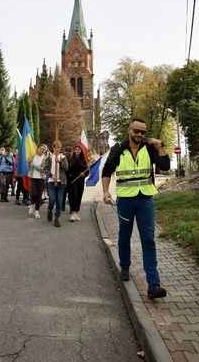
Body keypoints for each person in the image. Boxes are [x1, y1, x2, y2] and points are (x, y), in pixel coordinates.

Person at [102, 118, 170, 299]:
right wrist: (105, 192)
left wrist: (161, 145)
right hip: (125, 199)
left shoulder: (149, 148)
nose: (140, 135)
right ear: (129, 130)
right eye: (136, 131)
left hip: (145, 199)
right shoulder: (118, 148)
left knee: (148, 239)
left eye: (143, 132)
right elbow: (107, 170)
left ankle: (153, 285)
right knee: (124, 236)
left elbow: (165, 166)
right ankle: (125, 265)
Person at [43, 140, 69, 227]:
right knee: (52, 199)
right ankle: (50, 209)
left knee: (59, 200)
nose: (57, 149)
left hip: (61, 182)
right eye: (56, 147)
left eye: (59, 147)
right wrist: (51, 176)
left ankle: (57, 218)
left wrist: (60, 162)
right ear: (53, 148)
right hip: (51, 182)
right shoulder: (49, 158)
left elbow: (66, 168)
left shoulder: (63, 157)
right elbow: (45, 169)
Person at [67, 145, 89, 221]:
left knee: (79, 195)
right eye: (76, 149)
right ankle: (73, 212)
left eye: (79, 149)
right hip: (72, 180)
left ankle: (76, 212)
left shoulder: (83, 160)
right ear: (74, 151)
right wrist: (69, 176)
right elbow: (67, 170)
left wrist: (84, 174)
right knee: (73, 195)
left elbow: (87, 171)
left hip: (80, 180)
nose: (77, 151)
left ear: (81, 151)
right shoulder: (70, 160)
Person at [27, 145, 46, 218]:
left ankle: (37, 211)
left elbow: (43, 169)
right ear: (37, 149)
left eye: (43, 149)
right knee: (33, 193)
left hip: (41, 178)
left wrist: (34, 166)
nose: (42, 150)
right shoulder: (33, 156)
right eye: (40, 149)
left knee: (39, 195)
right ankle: (32, 205)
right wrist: (29, 163)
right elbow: (29, 167)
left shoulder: (44, 158)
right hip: (33, 177)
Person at [62, 146, 72, 211]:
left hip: (70, 177)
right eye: (66, 151)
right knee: (63, 192)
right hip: (63, 176)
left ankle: (71, 207)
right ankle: (62, 206)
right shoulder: (62, 157)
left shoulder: (72, 158)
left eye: (68, 151)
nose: (67, 152)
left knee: (70, 193)